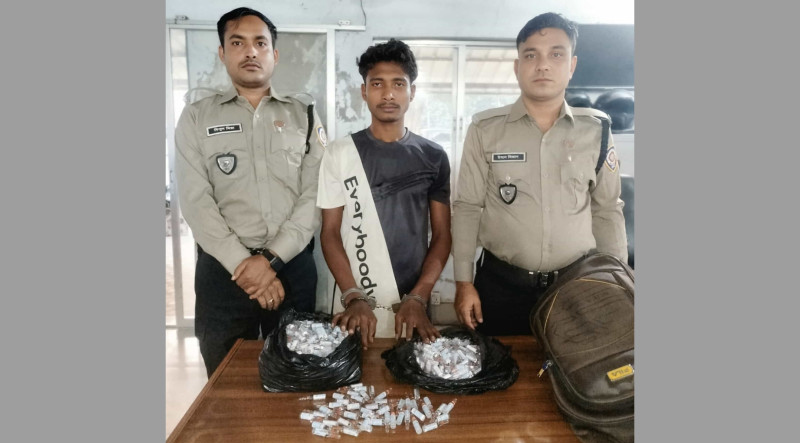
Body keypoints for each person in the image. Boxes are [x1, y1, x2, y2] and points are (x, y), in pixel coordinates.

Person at [452, 12, 628, 336]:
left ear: (571, 65)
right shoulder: (485, 130)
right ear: (517, 66)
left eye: (556, 54)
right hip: (501, 286)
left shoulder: (596, 131)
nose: (543, 65)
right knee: (501, 365)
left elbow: (607, 210)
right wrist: (463, 282)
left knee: (573, 366)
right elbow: (467, 207)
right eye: (531, 55)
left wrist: (616, 282)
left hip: (575, 286)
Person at [175, 7, 326, 376]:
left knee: (296, 372)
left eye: (260, 43)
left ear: (274, 54)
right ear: (222, 53)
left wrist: (270, 261)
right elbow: (195, 201)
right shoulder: (196, 117)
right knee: (226, 380)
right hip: (223, 271)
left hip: (292, 266)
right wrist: (244, 266)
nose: (250, 52)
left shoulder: (304, 115)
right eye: (238, 43)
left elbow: (315, 196)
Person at [317, 39, 452, 349]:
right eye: (377, 83)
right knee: (354, 375)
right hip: (354, 304)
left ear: (412, 92)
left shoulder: (433, 156)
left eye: (398, 84)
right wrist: (353, 296)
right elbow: (330, 232)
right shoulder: (339, 153)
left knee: (408, 376)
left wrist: (419, 296)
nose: (388, 94)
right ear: (364, 91)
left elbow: (443, 235)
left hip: (413, 305)